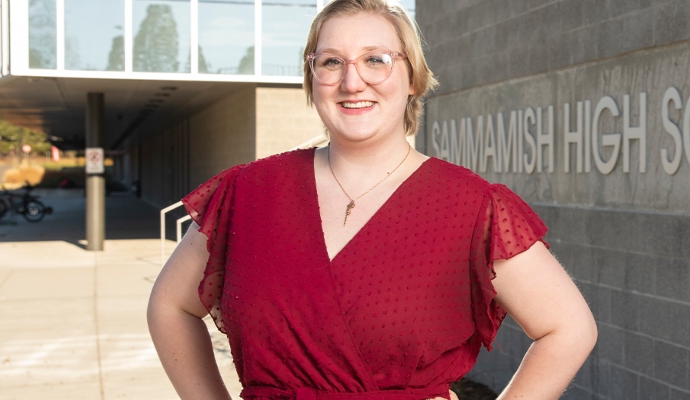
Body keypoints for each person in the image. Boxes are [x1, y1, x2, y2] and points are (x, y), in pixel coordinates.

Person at [147, 1, 597, 399]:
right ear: (312, 77)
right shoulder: (246, 193)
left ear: (413, 78)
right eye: (330, 62)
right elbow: (170, 307)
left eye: (375, 60)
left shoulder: (471, 206)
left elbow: (568, 328)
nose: (352, 81)